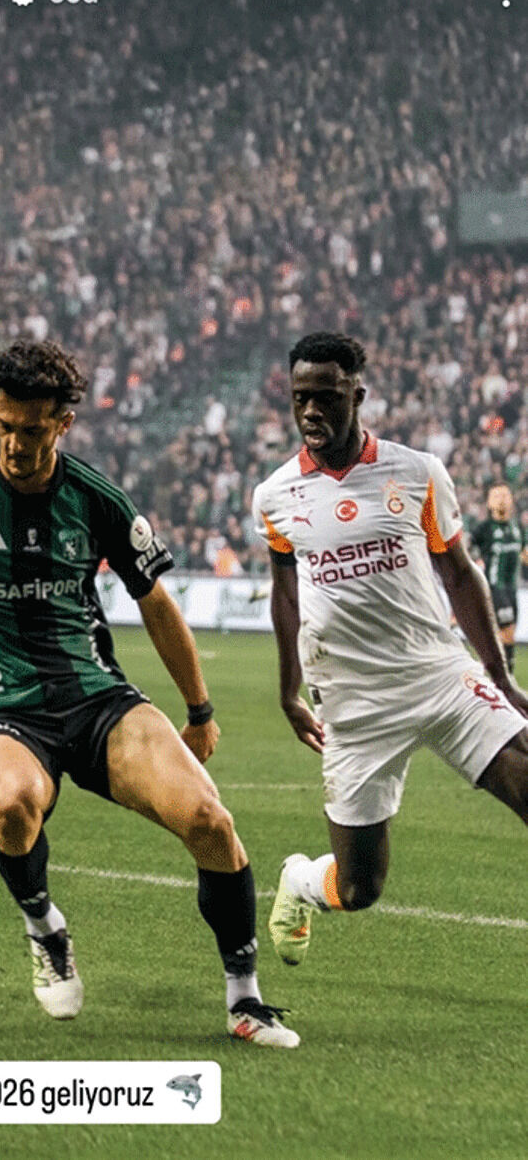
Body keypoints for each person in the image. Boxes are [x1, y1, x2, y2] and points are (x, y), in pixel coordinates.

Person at [0, 338, 299, 1048]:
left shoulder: (97, 498)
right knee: (12, 805)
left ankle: (245, 998)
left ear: (63, 423)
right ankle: (44, 928)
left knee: (210, 820)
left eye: (32, 430)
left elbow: (156, 602)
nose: (15, 445)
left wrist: (199, 708)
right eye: (4, 426)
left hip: (96, 699)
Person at [251, 331, 528, 972]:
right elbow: (285, 594)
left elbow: (458, 571)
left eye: (326, 397)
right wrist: (288, 691)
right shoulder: (276, 495)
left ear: (357, 395)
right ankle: (300, 881)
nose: (311, 411)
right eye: (300, 398)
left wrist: (500, 674)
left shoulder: (416, 472)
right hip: (353, 703)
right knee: (359, 888)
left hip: (439, 673)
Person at [470, 484, 528, 674]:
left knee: (508, 634)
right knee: (506, 631)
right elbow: (467, 547)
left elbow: (524, 553)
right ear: (489, 502)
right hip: (494, 588)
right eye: (496, 496)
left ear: (511, 500)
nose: (502, 499)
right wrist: (475, 559)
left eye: (505, 495)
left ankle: (494, 671)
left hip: (512, 589)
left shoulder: (517, 527)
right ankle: (504, 678)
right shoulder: (484, 528)